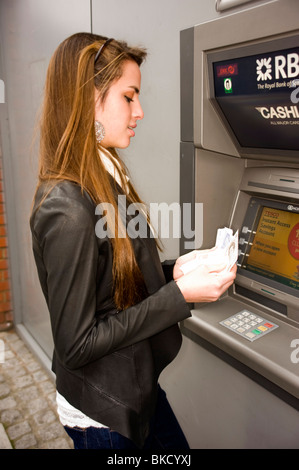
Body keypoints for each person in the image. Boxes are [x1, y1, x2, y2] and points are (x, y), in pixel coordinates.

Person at [30, 32, 236, 450]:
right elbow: (77, 343)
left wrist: (173, 271)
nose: (139, 111)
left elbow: (112, 286)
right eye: (129, 96)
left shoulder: (103, 177)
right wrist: (178, 294)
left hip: (134, 388)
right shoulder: (68, 207)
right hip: (105, 414)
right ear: (89, 99)